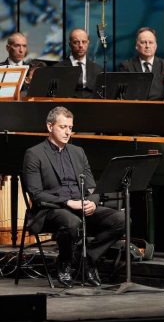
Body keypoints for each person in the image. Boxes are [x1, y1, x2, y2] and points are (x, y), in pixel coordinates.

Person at [21, 106, 124, 287]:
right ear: (50, 127)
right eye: (63, 127)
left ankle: (87, 259)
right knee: (71, 222)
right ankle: (64, 262)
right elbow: (36, 194)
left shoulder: (78, 152)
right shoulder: (34, 154)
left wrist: (92, 202)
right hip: (51, 209)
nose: (68, 132)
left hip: (80, 205)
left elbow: (92, 187)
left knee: (120, 219)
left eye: (70, 127)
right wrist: (68, 202)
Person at [118, 27, 164, 100]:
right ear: (136, 46)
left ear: (155, 46)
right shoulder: (126, 66)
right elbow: (123, 93)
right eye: (143, 42)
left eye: (151, 42)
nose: (147, 46)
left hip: (160, 108)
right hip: (135, 108)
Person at [54, 28, 103, 98]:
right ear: (70, 44)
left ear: (88, 44)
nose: (80, 45)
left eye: (84, 42)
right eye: (76, 42)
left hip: (92, 106)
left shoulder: (98, 70)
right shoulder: (58, 68)